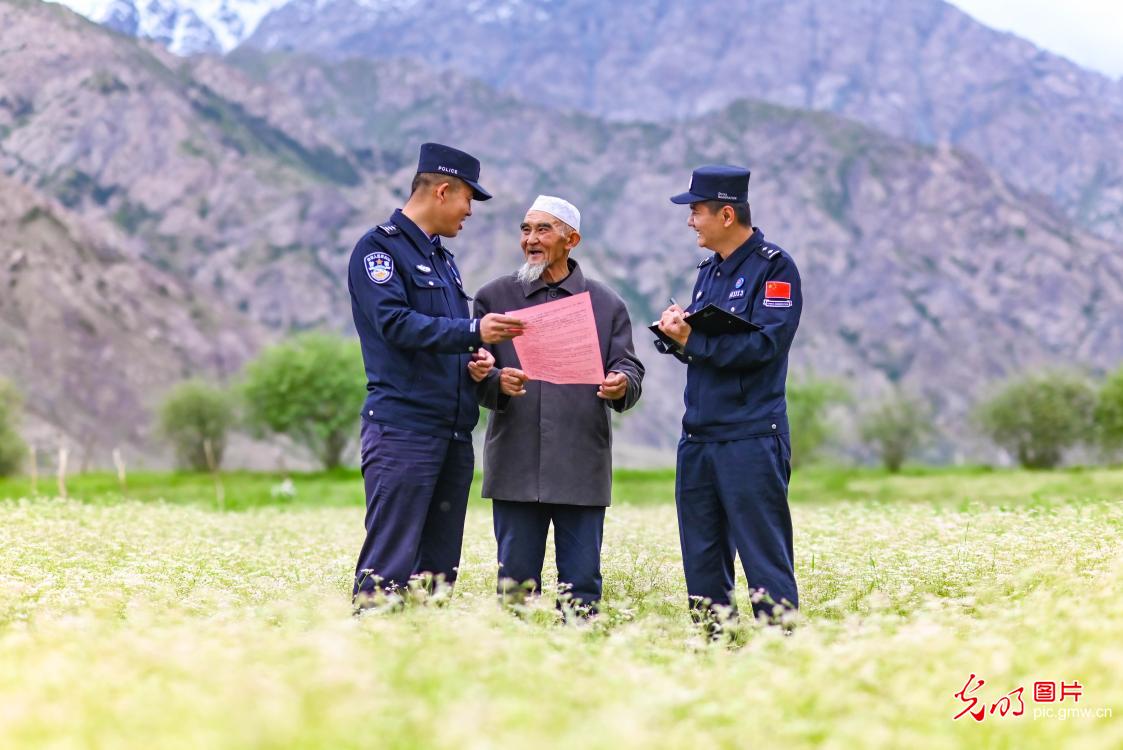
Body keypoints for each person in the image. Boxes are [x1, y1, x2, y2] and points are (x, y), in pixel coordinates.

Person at [348, 142, 524, 604]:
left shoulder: (443, 261)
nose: (469, 211)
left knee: (438, 575)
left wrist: (473, 361)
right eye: (469, 198)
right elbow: (395, 324)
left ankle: (426, 661)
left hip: (452, 436)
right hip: (404, 431)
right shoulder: (379, 250)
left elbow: (439, 338)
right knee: (389, 566)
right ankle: (372, 655)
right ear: (443, 191)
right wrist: (474, 330)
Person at [473, 195, 644, 614]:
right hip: (516, 463)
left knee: (582, 588)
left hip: (580, 465)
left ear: (572, 240)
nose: (530, 239)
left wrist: (621, 383)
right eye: (525, 229)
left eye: (543, 230)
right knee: (514, 588)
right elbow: (469, 370)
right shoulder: (493, 298)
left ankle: (579, 667)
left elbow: (629, 367)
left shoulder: (606, 304)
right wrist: (495, 380)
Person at [655, 165, 802, 626]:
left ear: (725, 214)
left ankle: (781, 657)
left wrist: (692, 342)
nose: (690, 221)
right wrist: (677, 337)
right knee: (701, 560)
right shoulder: (709, 271)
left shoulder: (775, 267)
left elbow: (764, 345)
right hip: (698, 438)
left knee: (764, 559)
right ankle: (713, 654)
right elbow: (710, 349)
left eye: (695, 211)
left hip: (750, 437)